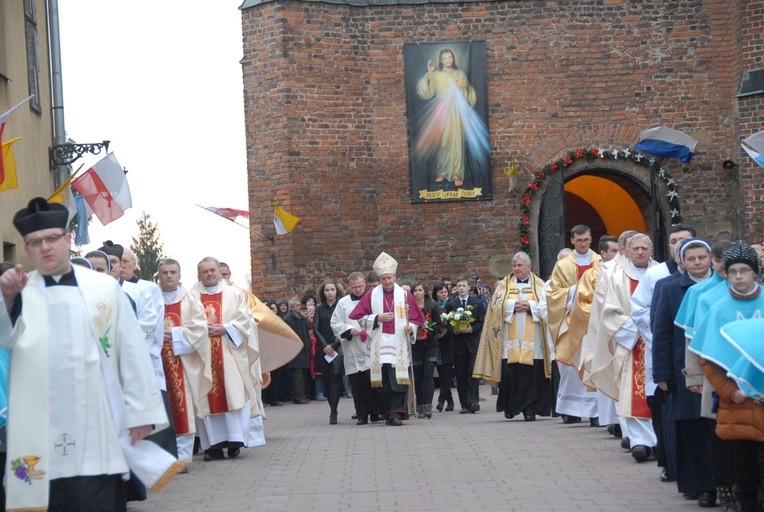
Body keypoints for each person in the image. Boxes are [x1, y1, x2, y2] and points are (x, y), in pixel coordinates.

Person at [0, 198, 172, 511]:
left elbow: (131, 350)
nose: (45, 248)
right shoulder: (19, 293)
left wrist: (142, 411)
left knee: (95, 500)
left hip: (96, 421)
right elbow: (5, 342)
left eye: (52, 238)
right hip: (37, 426)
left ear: (68, 240)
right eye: (35, 242)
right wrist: (7, 302)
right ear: (26, 249)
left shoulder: (104, 289)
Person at [690, 241, 764, 512]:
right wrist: (729, 391)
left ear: (756, 273)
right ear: (725, 274)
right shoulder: (718, 309)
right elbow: (709, 360)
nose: (739, 277)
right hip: (737, 403)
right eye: (733, 272)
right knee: (743, 474)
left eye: (745, 270)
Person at [651, 239, 719, 507]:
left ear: (710, 258)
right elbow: (663, 334)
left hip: (717, 368)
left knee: (716, 429)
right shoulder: (670, 290)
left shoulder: (724, 287)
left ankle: (722, 481)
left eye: (702, 257)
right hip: (685, 370)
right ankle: (701, 485)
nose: (698, 262)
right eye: (691, 259)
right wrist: (663, 374)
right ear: (681, 262)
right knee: (691, 428)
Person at [589, 233, 658, 462]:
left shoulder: (660, 273)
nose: (640, 252)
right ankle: (639, 440)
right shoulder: (617, 276)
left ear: (651, 250)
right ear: (626, 251)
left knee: (658, 390)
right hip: (632, 343)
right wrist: (636, 328)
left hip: (658, 341)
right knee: (631, 390)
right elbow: (609, 311)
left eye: (644, 248)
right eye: (635, 248)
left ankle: (657, 440)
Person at [191, 257, 261, 461]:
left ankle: (234, 442)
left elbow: (246, 321)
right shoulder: (191, 297)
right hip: (203, 357)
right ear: (199, 275)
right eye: (205, 271)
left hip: (229, 353)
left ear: (220, 272)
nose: (210, 274)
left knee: (233, 392)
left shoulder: (233, 293)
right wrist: (202, 330)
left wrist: (226, 328)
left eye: (213, 270)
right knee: (206, 397)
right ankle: (213, 447)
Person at [474, 252, 552, 421]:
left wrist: (531, 306)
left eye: (520, 266)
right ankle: (511, 406)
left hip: (535, 339)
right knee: (511, 373)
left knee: (532, 373)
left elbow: (547, 307)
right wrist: (511, 305)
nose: (516, 269)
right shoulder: (504, 285)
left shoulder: (540, 285)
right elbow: (494, 306)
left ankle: (530, 408)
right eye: (514, 266)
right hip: (510, 339)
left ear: (529, 267)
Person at [349, 252, 425, 426]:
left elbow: (416, 318)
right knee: (384, 378)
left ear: (395, 276)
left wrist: (411, 327)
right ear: (380, 279)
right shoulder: (371, 295)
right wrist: (377, 318)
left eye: (389, 278)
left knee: (398, 378)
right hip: (380, 343)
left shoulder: (405, 295)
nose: (387, 282)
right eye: (383, 279)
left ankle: (396, 414)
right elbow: (358, 316)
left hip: (398, 341)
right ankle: (388, 411)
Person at [157, 258, 212, 467]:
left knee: (183, 407)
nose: (169, 276)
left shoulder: (190, 299)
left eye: (173, 272)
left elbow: (200, 329)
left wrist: (175, 334)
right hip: (156, 361)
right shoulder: (151, 297)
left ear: (179, 275)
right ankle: (162, 457)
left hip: (183, 362)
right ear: (159, 275)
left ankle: (182, 458)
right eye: (164, 272)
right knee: (161, 408)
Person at [547, 224, 602, 424]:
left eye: (586, 240)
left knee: (594, 364)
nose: (583, 244)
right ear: (572, 241)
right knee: (570, 367)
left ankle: (596, 412)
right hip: (571, 322)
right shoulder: (562, 266)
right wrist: (577, 290)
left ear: (590, 239)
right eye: (579, 240)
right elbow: (553, 295)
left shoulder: (600, 262)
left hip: (595, 322)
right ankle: (572, 410)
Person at [414, 48, 489, 188]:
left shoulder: (459, 73)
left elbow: (469, 93)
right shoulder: (436, 74)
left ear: (453, 59)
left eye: (450, 57)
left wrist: (465, 85)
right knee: (444, 142)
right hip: (442, 111)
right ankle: (442, 171)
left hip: (457, 110)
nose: (448, 60)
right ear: (441, 61)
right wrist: (429, 73)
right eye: (445, 58)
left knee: (457, 142)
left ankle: (456, 174)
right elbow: (425, 91)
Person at [331, 272, 375, 425]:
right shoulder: (343, 303)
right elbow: (335, 323)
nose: (358, 290)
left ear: (365, 284)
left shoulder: (372, 298)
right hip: (352, 348)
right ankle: (362, 415)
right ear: (349, 286)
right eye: (355, 287)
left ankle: (376, 413)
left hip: (370, 345)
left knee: (372, 382)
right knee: (357, 384)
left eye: (361, 286)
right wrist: (349, 329)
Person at [445, 276, 486, 414]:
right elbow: (447, 324)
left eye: (464, 285)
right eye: (459, 286)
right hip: (458, 345)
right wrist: (455, 329)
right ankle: (464, 403)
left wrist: (472, 329)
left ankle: (474, 401)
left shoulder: (476, 303)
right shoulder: (451, 304)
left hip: (472, 344)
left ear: (469, 287)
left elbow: (481, 323)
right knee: (461, 374)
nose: (461, 288)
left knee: (472, 372)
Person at [314, 279, 345, 424]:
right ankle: (331, 407)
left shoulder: (342, 306)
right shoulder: (320, 308)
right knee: (327, 381)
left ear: (336, 291)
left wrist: (334, 345)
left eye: (332, 290)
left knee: (336, 379)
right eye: (327, 290)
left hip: (338, 347)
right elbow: (316, 328)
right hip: (324, 349)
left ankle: (334, 411)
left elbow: (344, 327)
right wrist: (326, 346)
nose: (330, 293)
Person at [410, 282, 442, 419]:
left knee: (428, 374)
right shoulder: (408, 308)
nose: (417, 293)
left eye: (420, 290)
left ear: (425, 292)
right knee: (418, 377)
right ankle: (420, 404)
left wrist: (428, 331)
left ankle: (428, 405)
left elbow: (439, 324)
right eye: (415, 290)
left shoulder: (432, 306)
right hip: (416, 346)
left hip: (430, 345)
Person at [282, 297, 312, 404]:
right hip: (295, 350)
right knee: (297, 375)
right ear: (292, 307)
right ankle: (298, 397)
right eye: (298, 305)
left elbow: (308, 327)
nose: (300, 307)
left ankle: (302, 395)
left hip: (304, 349)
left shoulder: (300, 317)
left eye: (300, 305)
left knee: (303, 374)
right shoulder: (288, 319)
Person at [433, 282, 455, 412]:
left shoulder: (451, 305)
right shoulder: (433, 305)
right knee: (441, 371)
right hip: (437, 340)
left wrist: (445, 329)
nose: (443, 294)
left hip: (448, 341)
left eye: (445, 292)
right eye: (441, 292)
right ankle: (450, 401)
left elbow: (452, 323)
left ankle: (441, 400)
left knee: (446, 370)